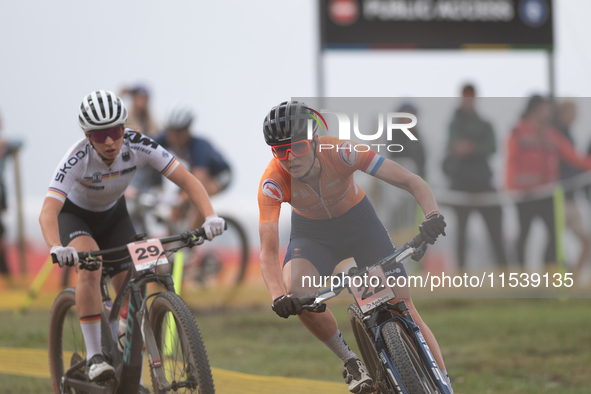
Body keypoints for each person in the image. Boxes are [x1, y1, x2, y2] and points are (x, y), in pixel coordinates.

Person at [258, 101, 452, 393]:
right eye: (279, 151)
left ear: (313, 141)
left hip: (360, 225)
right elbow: (268, 252)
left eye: (296, 147)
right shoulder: (272, 181)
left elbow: (412, 181)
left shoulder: (342, 152)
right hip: (312, 236)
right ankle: (350, 361)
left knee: (404, 306)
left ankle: (445, 383)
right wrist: (277, 296)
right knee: (297, 293)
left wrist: (432, 215)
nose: (289, 159)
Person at [39, 90, 225, 384]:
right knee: (91, 269)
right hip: (76, 217)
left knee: (130, 285)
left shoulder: (139, 145)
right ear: (88, 136)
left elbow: (187, 179)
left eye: (115, 131)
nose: (110, 141)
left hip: (115, 216)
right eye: (101, 136)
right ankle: (93, 356)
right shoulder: (76, 159)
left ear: (124, 128)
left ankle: (127, 360)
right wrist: (56, 246)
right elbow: (48, 212)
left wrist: (210, 215)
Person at [506, 95, 591, 268]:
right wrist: (510, 188)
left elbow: (573, 156)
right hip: (525, 195)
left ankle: (550, 273)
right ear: (535, 109)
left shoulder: (551, 134)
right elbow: (511, 162)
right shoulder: (518, 132)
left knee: (555, 235)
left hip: (548, 194)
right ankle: (520, 277)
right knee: (524, 236)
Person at [443, 84, 507, 270]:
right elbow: (455, 147)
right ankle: (461, 277)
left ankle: (507, 274)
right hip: (461, 186)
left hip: (483, 185)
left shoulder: (485, 124)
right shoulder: (454, 124)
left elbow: (492, 146)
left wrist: (470, 147)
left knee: (496, 232)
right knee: (461, 235)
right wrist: (476, 146)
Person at [155, 103, 231, 230]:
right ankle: (169, 247)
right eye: (170, 131)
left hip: (220, 174)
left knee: (198, 198)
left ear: (187, 131)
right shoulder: (166, 138)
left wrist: (179, 199)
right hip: (196, 173)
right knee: (175, 210)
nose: (173, 137)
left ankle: (192, 242)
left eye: (178, 132)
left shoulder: (199, 147)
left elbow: (199, 181)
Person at [554, 100, 591, 275]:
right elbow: (574, 160)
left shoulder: (568, 134)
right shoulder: (556, 135)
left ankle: (573, 278)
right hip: (559, 197)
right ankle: (556, 280)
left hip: (571, 197)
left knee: (586, 241)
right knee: (555, 243)